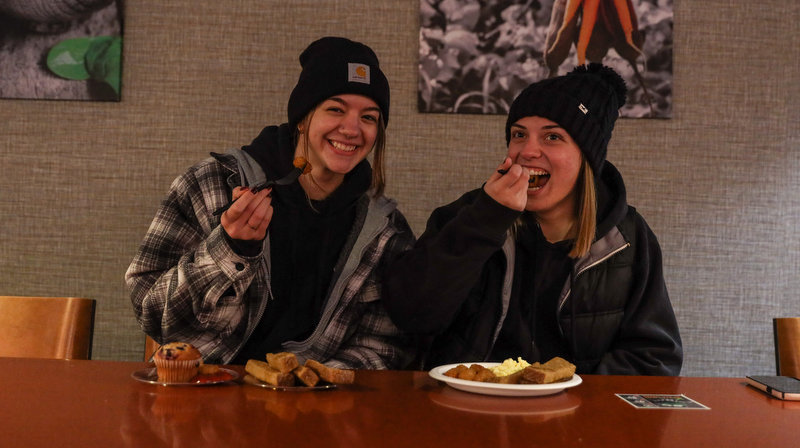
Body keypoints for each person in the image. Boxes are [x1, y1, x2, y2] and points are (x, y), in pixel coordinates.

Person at [126, 37, 415, 369]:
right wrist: (229, 249)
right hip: (206, 394)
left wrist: (315, 381)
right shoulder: (211, 185)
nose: (352, 129)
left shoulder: (384, 231)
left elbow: (386, 342)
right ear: (302, 119)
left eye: (369, 117)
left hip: (319, 409)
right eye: (335, 109)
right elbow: (152, 314)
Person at [382, 64, 682, 375]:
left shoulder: (628, 238)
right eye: (518, 135)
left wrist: (571, 394)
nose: (528, 151)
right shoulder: (467, 215)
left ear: (587, 157)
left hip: (576, 418)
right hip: (469, 408)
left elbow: (654, 361)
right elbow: (411, 317)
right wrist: (486, 219)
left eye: (552, 136)